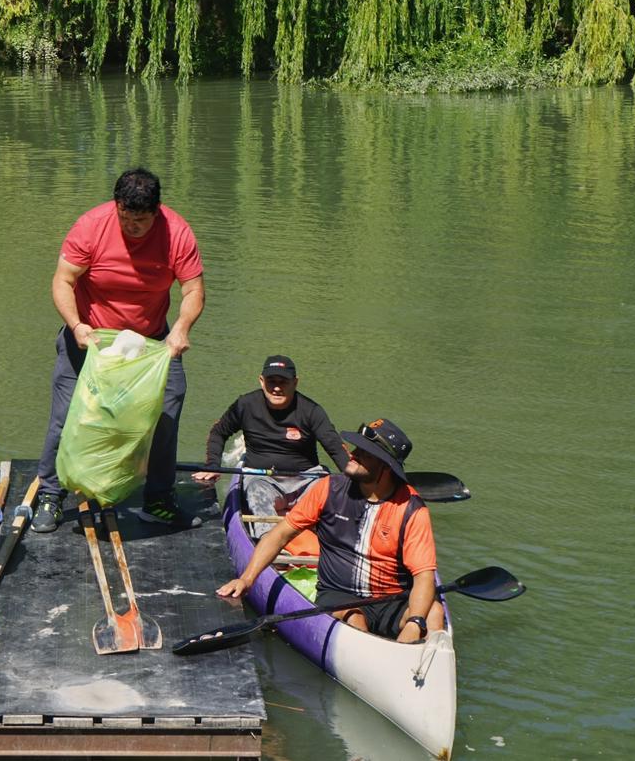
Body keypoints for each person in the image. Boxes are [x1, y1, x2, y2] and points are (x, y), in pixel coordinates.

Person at [30, 167, 206, 533]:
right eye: (126, 218)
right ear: (117, 206)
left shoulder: (177, 233)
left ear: (156, 211)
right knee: (66, 414)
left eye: (141, 220)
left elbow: (192, 290)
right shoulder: (91, 226)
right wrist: (76, 325)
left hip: (151, 341)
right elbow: (63, 279)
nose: (132, 227)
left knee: (167, 409)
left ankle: (157, 499)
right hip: (89, 337)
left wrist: (181, 329)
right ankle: (50, 494)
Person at [217, 418, 444, 642]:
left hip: (391, 599)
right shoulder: (329, 488)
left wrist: (415, 622)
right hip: (339, 595)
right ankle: (375, 653)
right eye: (356, 447)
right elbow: (280, 534)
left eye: (364, 453)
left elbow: (423, 575)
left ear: (385, 466)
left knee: (433, 613)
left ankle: (415, 657)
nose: (352, 454)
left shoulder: (412, 509)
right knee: (355, 618)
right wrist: (246, 580)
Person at [194, 355, 349, 537]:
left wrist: (357, 480)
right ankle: (267, 540)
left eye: (283, 382)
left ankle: (333, 540)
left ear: (295, 383)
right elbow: (218, 432)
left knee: (333, 492)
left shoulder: (311, 411)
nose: (276, 388)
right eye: (271, 381)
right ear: (261, 381)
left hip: (307, 480)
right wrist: (213, 465)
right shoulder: (246, 405)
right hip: (262, 480)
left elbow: (335, 448)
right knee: (256, 491)